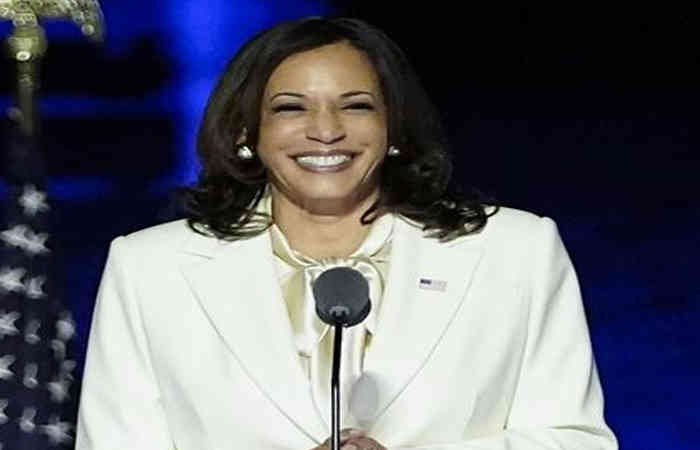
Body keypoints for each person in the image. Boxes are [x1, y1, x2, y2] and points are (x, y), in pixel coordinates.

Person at [75, 16, 618, 450]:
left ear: (394, 127)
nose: (326, 130)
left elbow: (576, 441)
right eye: (291, 108)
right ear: (246, 131)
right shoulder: (150, 269)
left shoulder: (515, 251)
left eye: (355, 106)